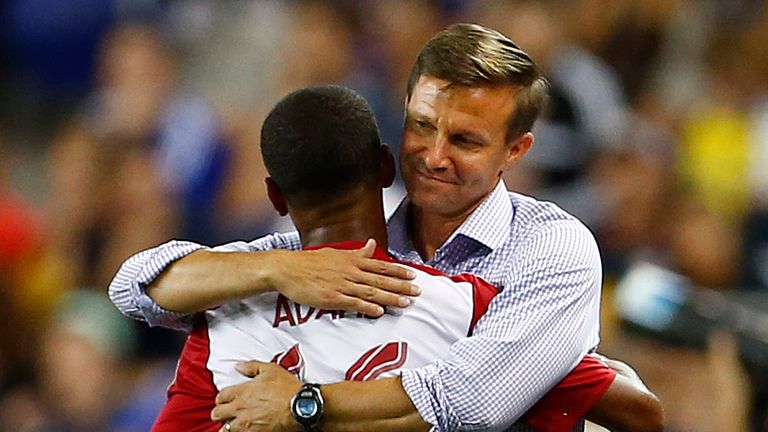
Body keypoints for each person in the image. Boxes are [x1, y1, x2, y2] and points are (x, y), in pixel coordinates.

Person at [109, 24, 662, 431]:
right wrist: (279, 267)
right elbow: (133, 287)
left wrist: (305, 404)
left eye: (465, 141)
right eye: (422, 127)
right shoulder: (298, 268)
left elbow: (476, 401)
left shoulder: (548, 251)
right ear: (388, 143)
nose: (434, 157)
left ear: (515, 151)